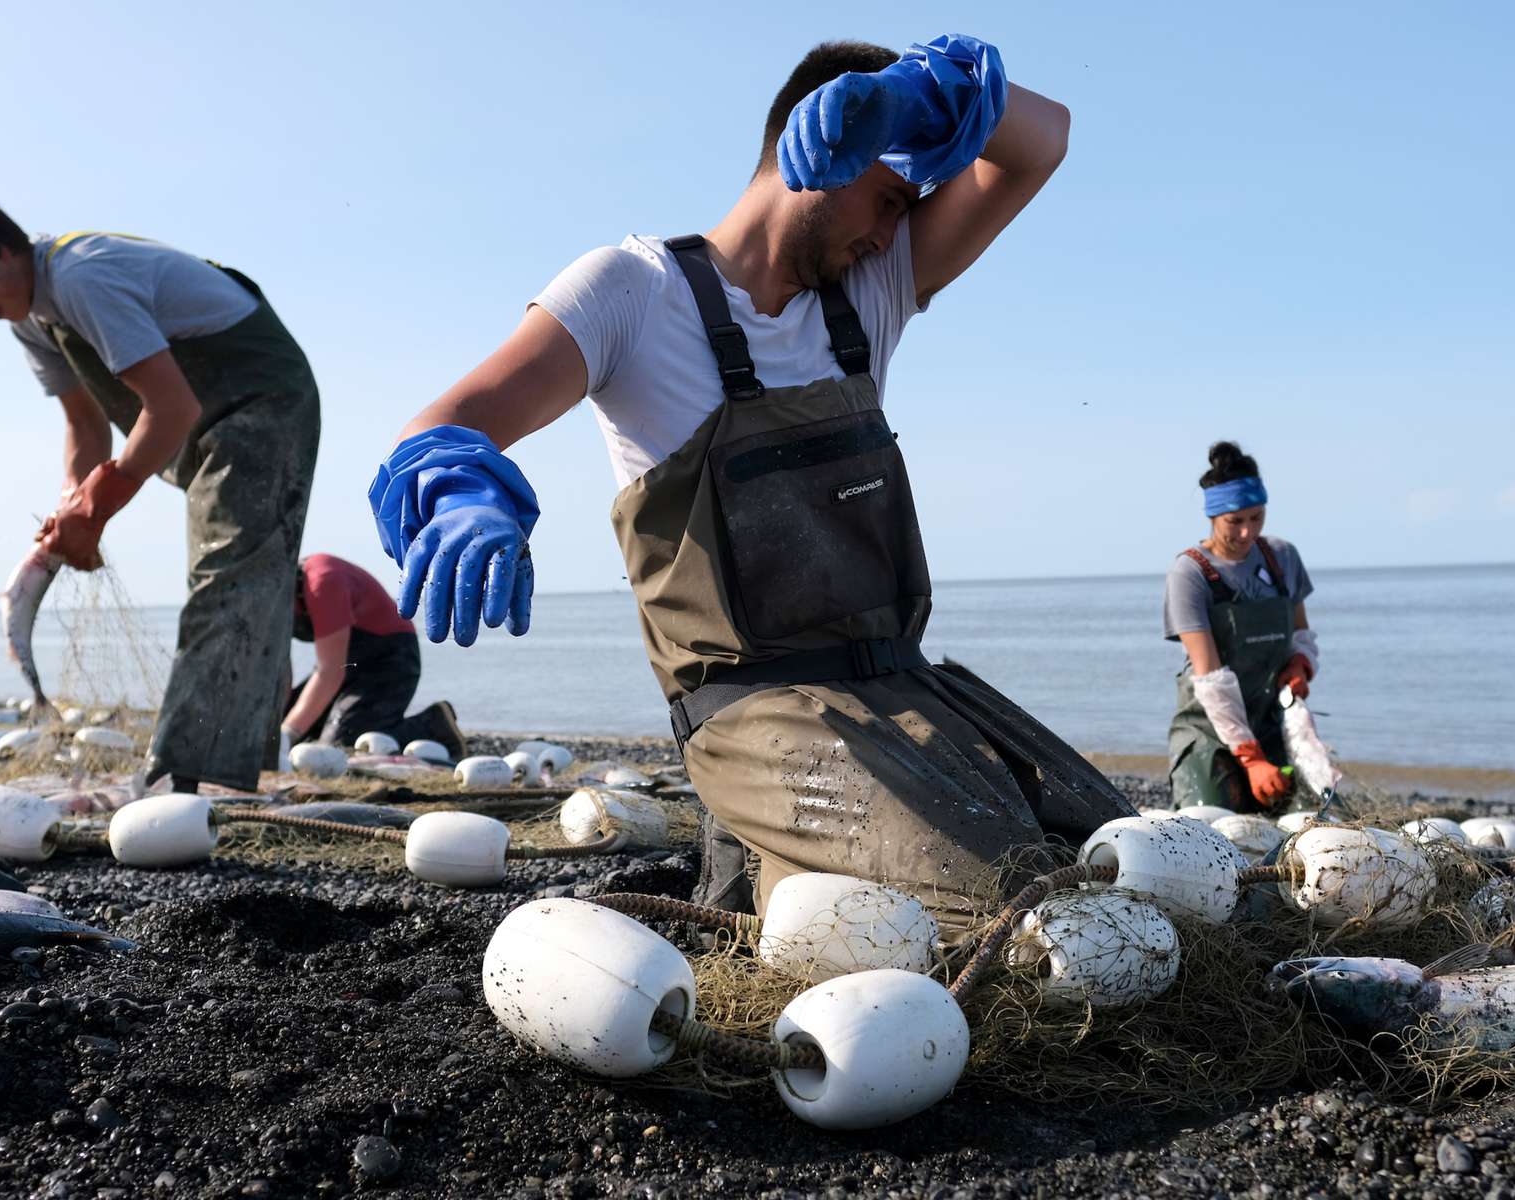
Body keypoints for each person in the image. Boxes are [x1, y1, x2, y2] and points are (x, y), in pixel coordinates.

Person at [368, 34, 1131, 926]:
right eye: (887, 199)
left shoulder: (871, 291)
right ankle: (772, 875)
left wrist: (910, 99)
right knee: (1004, 909)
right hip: (754, 716)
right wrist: (463, 496)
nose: (893, 232)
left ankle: (759, 876)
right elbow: (447, 421)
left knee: (1119, 857)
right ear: (816, 155)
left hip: (906, 690)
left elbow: (1043, 137)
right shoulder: (634, 290)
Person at [0, 185, 319, 794]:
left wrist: (101, 503)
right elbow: (84, 425)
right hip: (203, 420)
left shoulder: (85, 276)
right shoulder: (34, 319)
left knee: (231, 575)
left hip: (262, 400)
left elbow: (170, 405)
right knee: (241, 579)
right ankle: (229, 761)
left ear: (1, 252)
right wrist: (71, 509)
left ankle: (192, 778)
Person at [1163, 441, 1319, 811]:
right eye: (1235, 522)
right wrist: (1251, 759)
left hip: (1272, 722)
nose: (1248, 533)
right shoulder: (1190, 573)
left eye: (1257, 518)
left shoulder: (1282, 557)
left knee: (1313, 816)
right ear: (1213, 517)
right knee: (1212, 823)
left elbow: (1301, 634)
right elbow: (1209, 675)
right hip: (1209, 729)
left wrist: (1301, 665)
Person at [281, 553, 466, 761]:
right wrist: (280, 722)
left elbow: (330, 672)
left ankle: (432, 725)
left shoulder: (323, 582)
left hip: (390, 658)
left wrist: (288, 734)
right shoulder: (273, 598)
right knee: (287, 723)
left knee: (341, 745)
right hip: (348, 662)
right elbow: (280, 671)